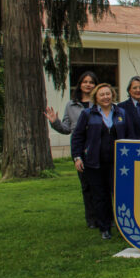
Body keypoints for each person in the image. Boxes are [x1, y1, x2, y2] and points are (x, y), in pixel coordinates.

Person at [71, 83, 135, 239]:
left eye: (108, 94)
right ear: (96, 98)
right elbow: (78, 137)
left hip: (118, 163)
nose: (105, 97)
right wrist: (77, 157)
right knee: (100, 195)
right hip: (94, 163)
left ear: (112, 95)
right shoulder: (87, 114)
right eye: (102, 95)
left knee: (120, 195)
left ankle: (123, 226)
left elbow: (130, 135)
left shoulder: (121, 113)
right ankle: (104, 227)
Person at [44, 71, 99, 228]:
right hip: (81, 151)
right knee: (86, 186)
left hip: (99, 148)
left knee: (102, 186)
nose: (88, 84)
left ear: (96, 85)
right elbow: (67, 129)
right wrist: (55, 122)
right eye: (85, 81)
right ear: (80, 84)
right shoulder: (71, 105)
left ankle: (106, 217)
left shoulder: (100, 103)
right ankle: (91, 220)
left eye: (91, 82)